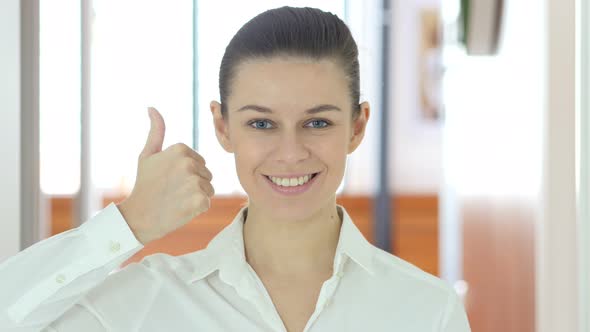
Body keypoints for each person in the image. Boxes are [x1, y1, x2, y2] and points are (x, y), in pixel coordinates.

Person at [0, 6, 471, 332]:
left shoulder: (427, 310)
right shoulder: (146, 299)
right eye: (262, 122)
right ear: (223, 127)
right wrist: (131, 223)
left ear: (357, 126)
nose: (290, 152)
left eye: (317, 122)